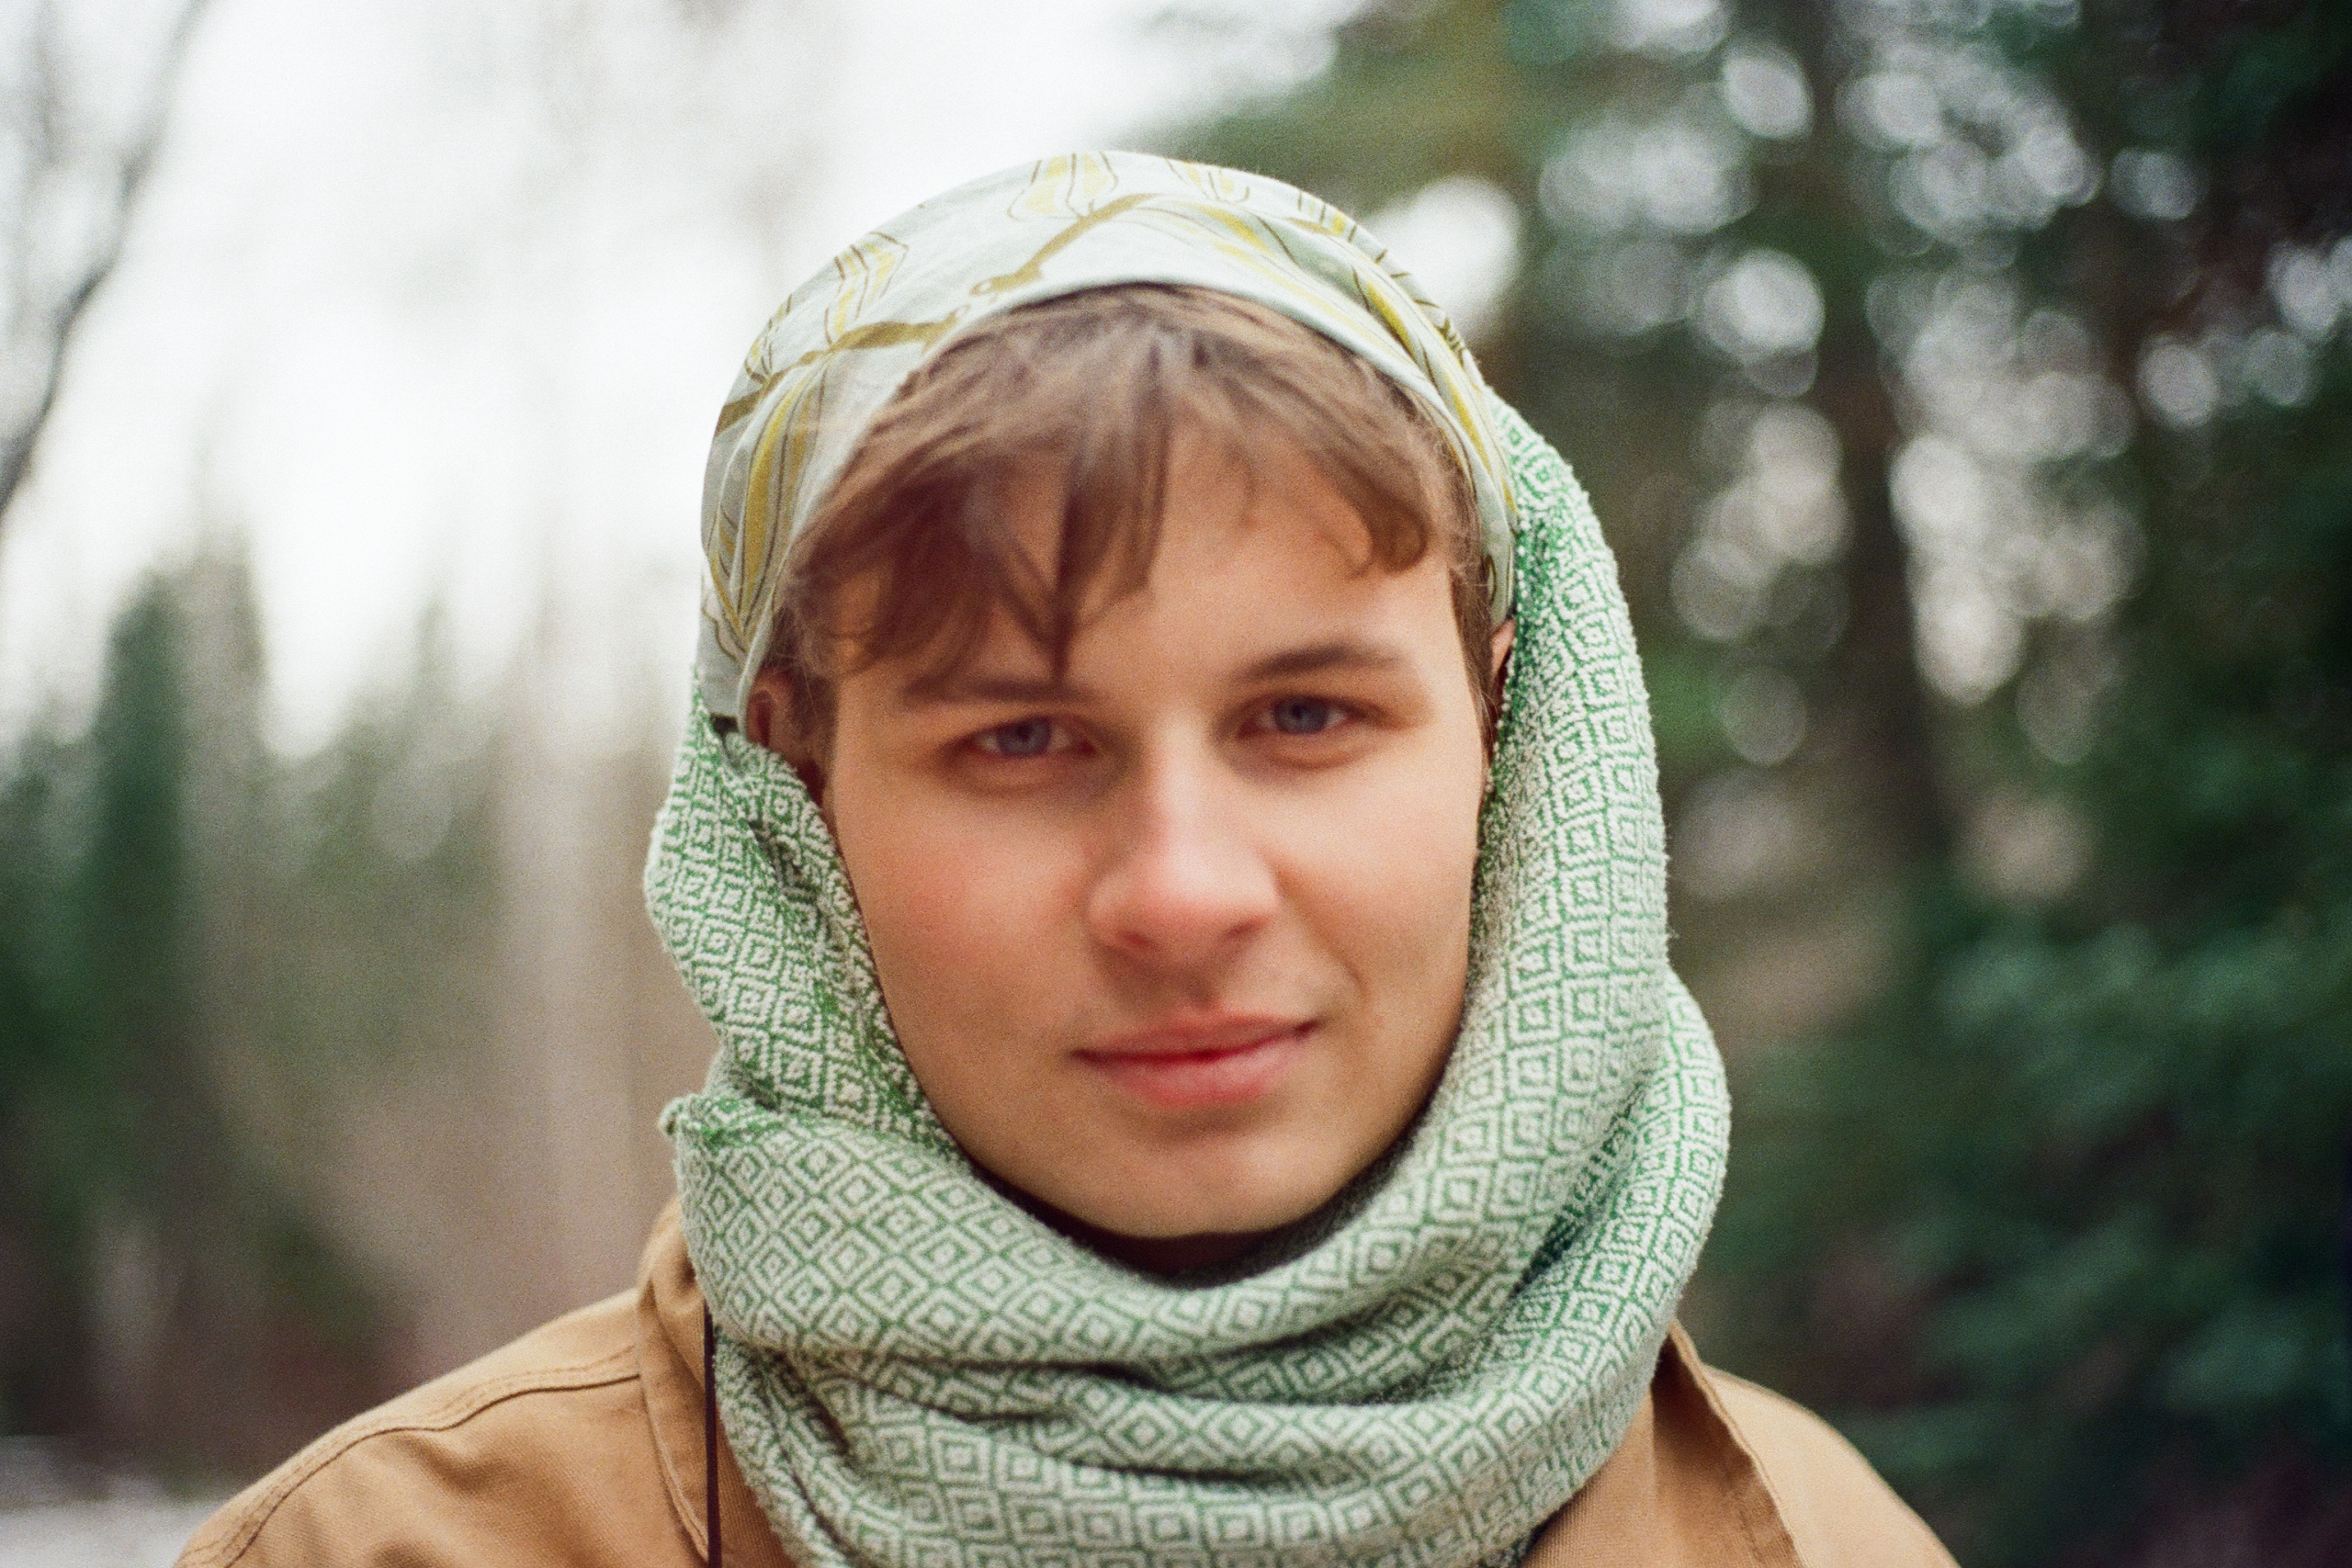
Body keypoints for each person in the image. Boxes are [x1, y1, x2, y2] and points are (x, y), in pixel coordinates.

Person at [178, 152, 1954, 1568]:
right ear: (796, 786)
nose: (1184, 893)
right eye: (1020, 741)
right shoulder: (391, 1552)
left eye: (1307, 718)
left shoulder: (1824, 1543)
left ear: (1505, 735)